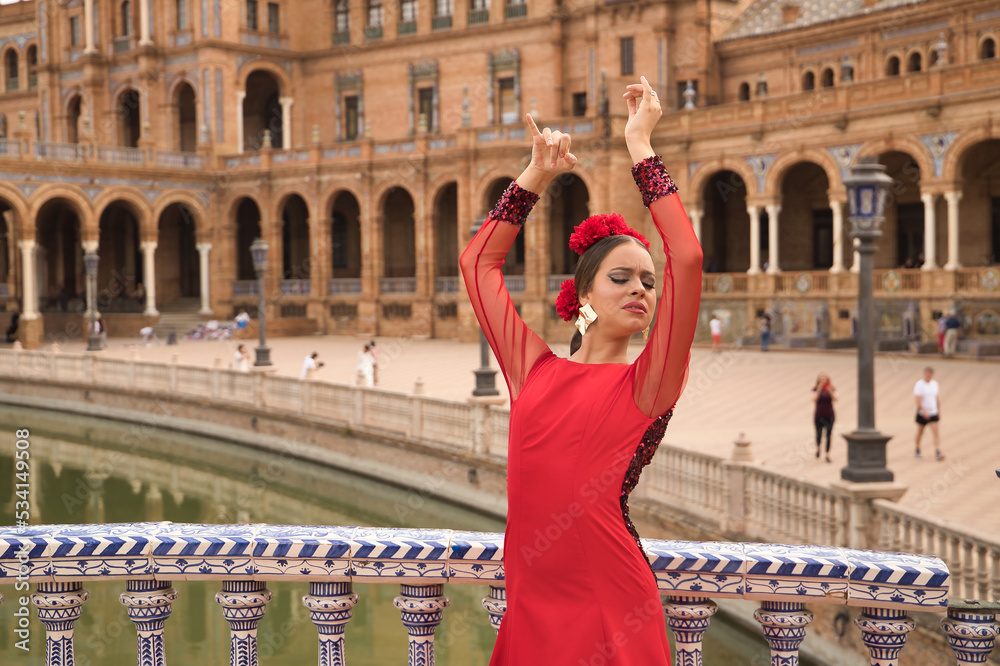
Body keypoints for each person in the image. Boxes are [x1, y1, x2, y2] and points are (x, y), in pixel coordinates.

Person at [461, 76, 701, 665]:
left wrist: (640, 144)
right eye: (621, 277)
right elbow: (478, 264)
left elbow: (688, 258)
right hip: (530, 604)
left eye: (647, 281)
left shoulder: (647, 385)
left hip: (610, 606)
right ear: (583, 297)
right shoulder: (533, 372)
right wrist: (536, 175)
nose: (641, 289)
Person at [914, 366, 943, 460]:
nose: (928, 376)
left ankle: (937, 450)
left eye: (929, 374)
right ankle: (917, 448)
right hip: (923, 412)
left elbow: (937, 398)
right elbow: (918, 400)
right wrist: (923, 410)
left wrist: (938, 410)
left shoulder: (935, 384)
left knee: (936, 432)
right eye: (926, 374)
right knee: (920, 432)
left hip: (933, 411)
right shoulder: (919, 384)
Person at [812, 372, 837, 463]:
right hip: (819, 415)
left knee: (828, 435)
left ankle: (827, 454)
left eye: (825, 379)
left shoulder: (831, 388)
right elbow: (813, 399)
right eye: (821, 379)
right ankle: (818, 448)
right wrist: (819, 390)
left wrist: (830, 390)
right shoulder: (815, 389)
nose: (823, 381)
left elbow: (836, 399)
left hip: (830, 415)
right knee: (819, 434)